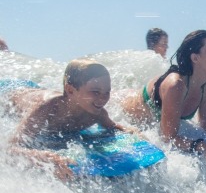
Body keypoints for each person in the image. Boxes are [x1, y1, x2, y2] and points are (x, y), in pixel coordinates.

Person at [122, 29, 206, 164]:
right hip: (127, 109)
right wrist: (201, 146)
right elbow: (167, 138)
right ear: (195, 57)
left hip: (154, 117)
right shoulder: (176, 85)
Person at [9, 58, 139, 181]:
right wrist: (43, 157)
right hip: (12, 98)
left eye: (107, 92)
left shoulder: (97, 113)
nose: (102, 99)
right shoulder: (47, 109)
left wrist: (135, 133)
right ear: (70, 90)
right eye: (95, 92)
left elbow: (114, 126)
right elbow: (10, 148)